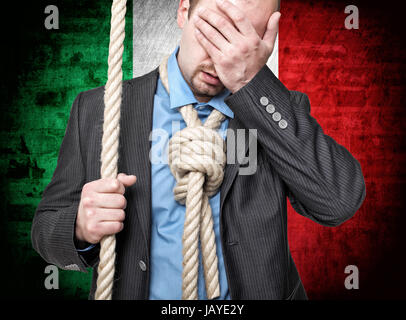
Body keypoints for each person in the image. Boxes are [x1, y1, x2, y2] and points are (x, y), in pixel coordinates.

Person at [31, 0, 366, 300]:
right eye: (213, 32)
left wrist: (253, 83)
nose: (222, 59)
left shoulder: (279, 111)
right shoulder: (99, 109)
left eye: (241, 44)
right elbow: (45, 229)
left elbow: (338, 202)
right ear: (183, 11)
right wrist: (78, 228)